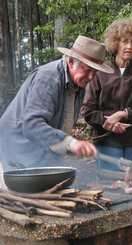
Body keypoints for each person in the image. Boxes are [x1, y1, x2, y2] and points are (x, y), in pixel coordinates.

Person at [0, 35, 114, 171]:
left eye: (94, 72)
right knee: (36, 188)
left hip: (41, 148)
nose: (91, 77)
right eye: (88, 70)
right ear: (71, 61)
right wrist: (70, 143)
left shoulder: (79, 85)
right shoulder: (48, 77)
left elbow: (60, 125)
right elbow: (31, 124)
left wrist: (73, 147)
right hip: (20, 148)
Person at [82, 18, 132, 174]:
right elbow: (88, 111)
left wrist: (124, 113)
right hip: (106, 141)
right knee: (112, 191)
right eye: (125, 41)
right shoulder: (100, 72)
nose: (129, 46)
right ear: (116, 43)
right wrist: (109, 122)